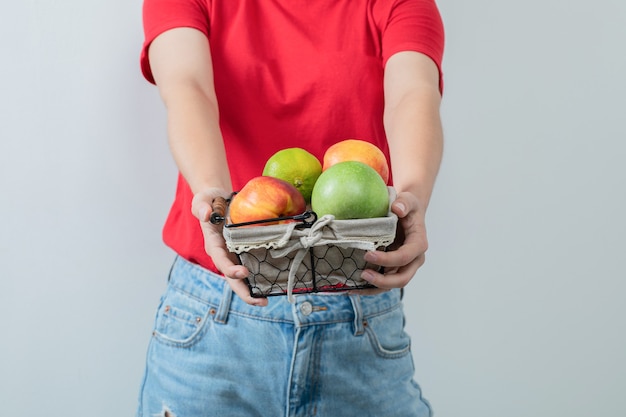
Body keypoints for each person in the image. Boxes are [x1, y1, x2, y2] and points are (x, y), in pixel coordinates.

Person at [136, 1, 444, 416]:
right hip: (215, 311)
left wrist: (413, 198)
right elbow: (187, 86)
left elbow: (413, 92)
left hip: (357, 303)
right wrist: (214, 197)